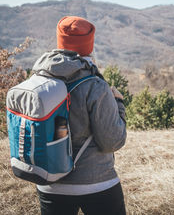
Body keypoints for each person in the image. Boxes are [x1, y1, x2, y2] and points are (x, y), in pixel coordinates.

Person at [33, 16, 127, 215]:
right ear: (89, 45)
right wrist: (118, 104)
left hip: (48, 181)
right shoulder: (95, 85)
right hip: (96, 182)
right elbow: (112, 141)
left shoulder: (38, 78)